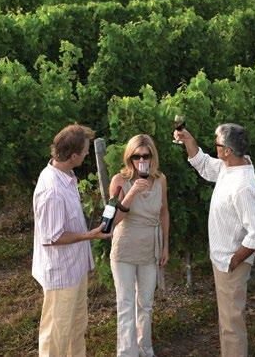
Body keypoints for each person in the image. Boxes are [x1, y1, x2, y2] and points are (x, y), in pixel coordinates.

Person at [173, 123, 255, 357]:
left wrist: (234, 260)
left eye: (216, 143)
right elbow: (205, 165)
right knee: (227, 321)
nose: (213, 147)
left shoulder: (242, 187)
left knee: (231, 325)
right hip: (224, 261)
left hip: (230, 263)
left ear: (227, 151)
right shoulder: (230, 167)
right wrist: (188, 141)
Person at [32, 124, 111, 357]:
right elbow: (52, 237)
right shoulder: (52, 190)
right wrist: (90, 235)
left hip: (74, 269)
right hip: (61, 274)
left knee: (76, 328)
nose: (87, 154)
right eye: (84, 151)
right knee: (56, 335)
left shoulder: (66, 176)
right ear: (73, 156)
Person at [108, 134, 170, 357]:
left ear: (153, 156)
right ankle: (127, 353)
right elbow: (113, 221)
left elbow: (164, 213)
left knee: (146, 303)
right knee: (126, 304)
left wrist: (165, 246)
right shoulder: (119, 180)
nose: (142, 160)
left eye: (146, 155)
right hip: (124, 247)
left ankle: (145, 349)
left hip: (150, 247)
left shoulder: (160, 180)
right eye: (136, 156)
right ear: (129, 157)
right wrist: (132, 192)